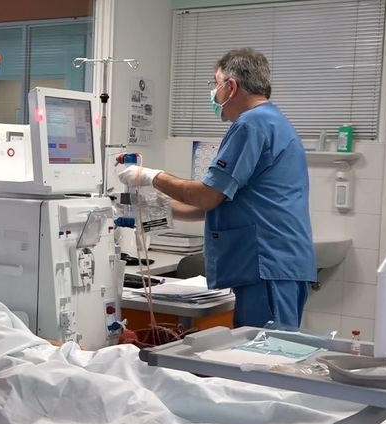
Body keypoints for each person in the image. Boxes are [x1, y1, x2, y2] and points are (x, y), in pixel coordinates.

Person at [117, 48, 316, 329]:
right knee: (262, 350)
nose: (213, 92)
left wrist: (151, 176)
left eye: (215, 83)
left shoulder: (251, 124)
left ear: (231, 86)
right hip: (274, 265)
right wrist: (153, 210)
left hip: (267, 265)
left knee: (260, 353)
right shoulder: (272, 121)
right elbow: (219, 201)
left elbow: (207, 195)